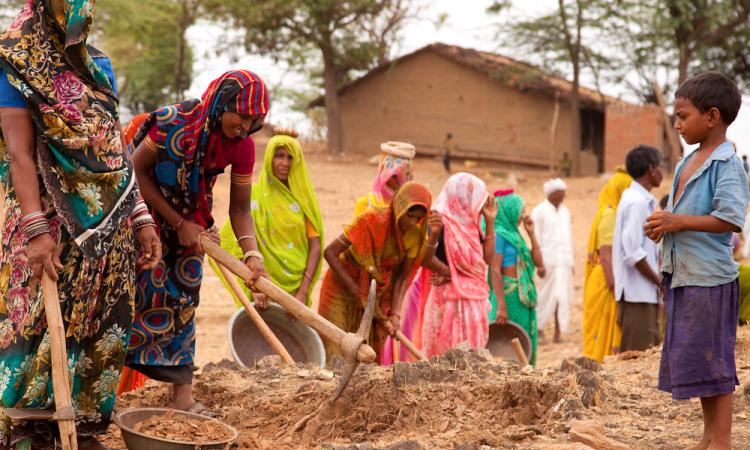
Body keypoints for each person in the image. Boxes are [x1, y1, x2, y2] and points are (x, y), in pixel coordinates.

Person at [0, 1, 161, 448]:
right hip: (45, 224)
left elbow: (114, 152)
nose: (80, 18)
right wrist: (35, 231)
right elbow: (18, 154)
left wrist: (141, 217)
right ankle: (28, 428)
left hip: (108, 229)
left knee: (101, 322)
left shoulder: (99, 67)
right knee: (34, 326)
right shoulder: (13, 63)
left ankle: (83, 425)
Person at [126, 70, 269, 416]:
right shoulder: (173, 124)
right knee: (128, 301)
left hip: (194, 224)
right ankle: (104, 396)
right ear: (222, 104)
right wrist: (176, 223)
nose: (246, 126)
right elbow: (133, 172)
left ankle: (182, 397)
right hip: (141, 216)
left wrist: (251, 254)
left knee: (185, 299)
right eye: (242, 115)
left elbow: (238, 209)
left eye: (255, 119)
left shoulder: (243, 146)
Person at [645, 72, 748, 450]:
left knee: (715, 364)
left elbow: (731, 218)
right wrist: (664, 227)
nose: (677, 123)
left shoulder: (726, 164)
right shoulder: (687, 162)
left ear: (713, 117)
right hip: (684, 275)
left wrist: (676, 220)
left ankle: (721, 441)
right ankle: (707, 437)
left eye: (683, 115)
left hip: (710, 278)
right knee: (701, 364)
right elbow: (684, 217)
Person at [318, 181, 431, 363]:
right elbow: (329, 252)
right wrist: (356, 292)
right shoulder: (370, 221)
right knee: (335, 353)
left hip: (374, 296)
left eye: (418, 218)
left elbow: (402, 278)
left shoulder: (416, 236)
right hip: (341, 287)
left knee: (367, 357)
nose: (411, 222)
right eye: (409, 215)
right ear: (398, 207)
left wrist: (394, 314)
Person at [215, 128, 323, 307]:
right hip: (261, 287)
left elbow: (316, 247)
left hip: (296, 289)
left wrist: (303, 291)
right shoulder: (254, 196)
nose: (285, 163)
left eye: (290, 157)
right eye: (279, 155)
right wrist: (253, 285)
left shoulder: (304, 200)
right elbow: (232, 244)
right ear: (268, 158)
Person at [405, 173, 498, 359]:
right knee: (448, 359)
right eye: (472, 196)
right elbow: (425, 259)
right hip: (449, 302)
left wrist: (490, 221)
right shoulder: (441, 221)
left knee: (473, 362)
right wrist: (449, 273)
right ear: (460, 196)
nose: (476, 203)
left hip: (473, 302)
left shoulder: (471, 225)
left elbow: (487, 259)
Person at [612, 145, 663, 352]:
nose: (661, 172)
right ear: (651, 169)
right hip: (636, 294)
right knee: (637, 355)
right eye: (660, 167)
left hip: (642, 292)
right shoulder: (637, 202)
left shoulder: (641, 200)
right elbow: (632, 252)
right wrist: (659, 282)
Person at [582, 168, 632, 362]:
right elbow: (606, 256)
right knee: (602, 331)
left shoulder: (608, 212)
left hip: (605, 276)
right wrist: (615, 287)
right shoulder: (610, 215)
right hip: (606, 279)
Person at [491, 190, 544, 365]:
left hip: (522, 298)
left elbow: (538, 262)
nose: (523, 216)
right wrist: (501, 306)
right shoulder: (499, 235)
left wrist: (532, 234)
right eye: (520, 211)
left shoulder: (516, 235)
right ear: (509, 211)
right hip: (508, 296)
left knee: (524, 339)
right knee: (509, 344)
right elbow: (495, 270)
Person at [531, 178, 574, 343]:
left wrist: (571, 263)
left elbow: (569, 237)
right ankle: (539, 330)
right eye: (561, 193)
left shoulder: (565, 211)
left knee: (562, 297)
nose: (564, 196)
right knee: (544, 296)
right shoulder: (539, 211)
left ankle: (558, 332)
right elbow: (536, 238)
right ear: (553, 194)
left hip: (564, 262)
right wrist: (539, 264)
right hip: (548, 261)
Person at [353, 141, 415, 217]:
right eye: (394, 176)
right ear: (383, 175)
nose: (399, 182)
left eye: (406, 176)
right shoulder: (366, 204)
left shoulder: (412, 207)